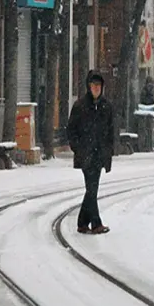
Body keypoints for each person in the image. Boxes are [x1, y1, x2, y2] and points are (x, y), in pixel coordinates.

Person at [67, 70, 114, 234]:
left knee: (91, 189)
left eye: (99, 85)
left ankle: (82, 222)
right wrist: (78, 148)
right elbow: (71, 130)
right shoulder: (80, 106)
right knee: (92, 188)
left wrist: (109, 151)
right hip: (86, 155)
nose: (96, 88)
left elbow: (110, 131)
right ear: (89, 86)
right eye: (93, 85)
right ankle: (96, 223)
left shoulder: (106, 107)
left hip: (99, 154)